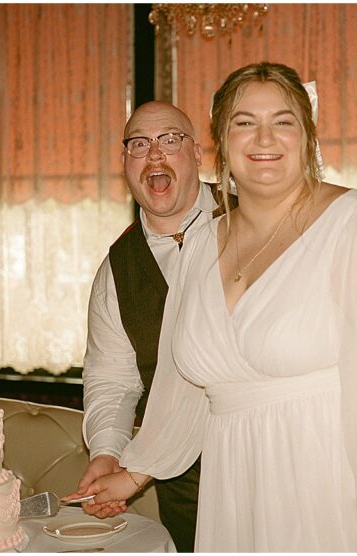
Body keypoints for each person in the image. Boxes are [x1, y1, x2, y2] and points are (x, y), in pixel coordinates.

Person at [80, 62, 357, 552]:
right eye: (244, 122)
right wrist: (132, 472)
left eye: (283, 121)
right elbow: (183, 383)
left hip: (342, 480)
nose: (262, 137)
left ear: (307, 137)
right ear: (222, 142)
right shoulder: (204, 244)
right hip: (244, 484)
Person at [67, 101, 228, 552]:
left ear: (197, 153)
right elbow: (113, 380)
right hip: (183, 483)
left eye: (170, 139)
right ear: (124, 163)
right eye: (139, 144)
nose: (154, 155)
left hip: (276, 456)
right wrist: (106, 452)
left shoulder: (253, 217)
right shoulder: (116, 271)